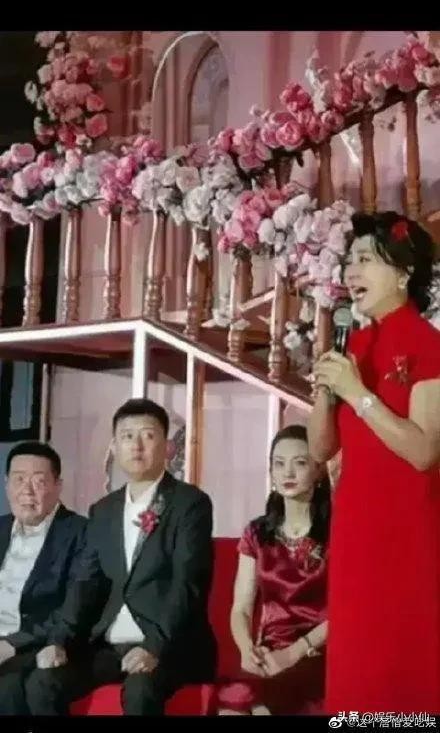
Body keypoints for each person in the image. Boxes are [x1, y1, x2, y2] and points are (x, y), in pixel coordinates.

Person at [309, 211, 440, 714]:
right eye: (349, 261)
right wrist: (325, 394)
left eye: (364, 260)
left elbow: (424, 451)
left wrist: (357, 393)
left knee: (403, 668)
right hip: (356, 534)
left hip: (409, 536)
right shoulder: (353, 347)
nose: (350, 272)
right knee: (357, 672)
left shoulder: (427, 345)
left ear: (403, 272)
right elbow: (320, 450)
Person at [25, 398, 217, 716]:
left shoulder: (190, 504)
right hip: (108, 646)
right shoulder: (103, 511)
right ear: (114, 446)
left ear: (167, 446)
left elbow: (189, 584)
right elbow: (85, 583)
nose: (136, 445)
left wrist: (154, 647)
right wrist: (58, 641)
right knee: (43, 682)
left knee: (141, 689)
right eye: (127, 436)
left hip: (170, 647)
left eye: (148, 435)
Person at [217, 425, 329, 716]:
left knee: (264, 708)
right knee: (231, 708)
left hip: (318, 652)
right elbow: (241, 608)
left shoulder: (337, 531)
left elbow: (346, 610)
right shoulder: (257, 533)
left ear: (318, 470)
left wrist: (293, 653)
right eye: (279, 464)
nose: (287, 472)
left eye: (299, 463)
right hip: (269, 652)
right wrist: (247, 650)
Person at [0, 441, 87, 714]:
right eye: (19, 479)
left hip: (37, 643)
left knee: (9, 687)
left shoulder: (79, 533)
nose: (27, 490)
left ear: (58, 486)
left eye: (38, 481)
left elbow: (74, 606)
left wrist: (12, 644)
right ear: (6, 484)